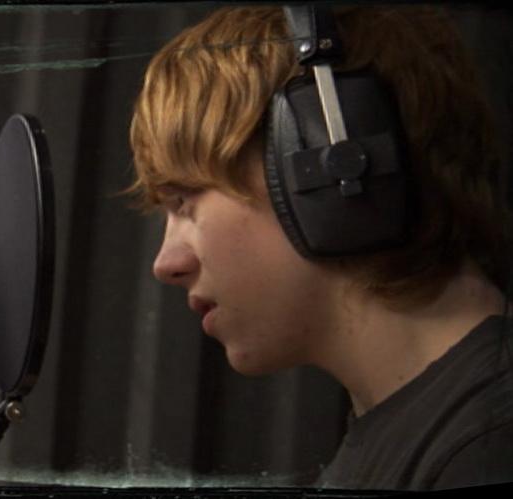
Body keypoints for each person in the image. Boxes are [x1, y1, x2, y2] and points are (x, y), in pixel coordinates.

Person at [128, 5, 513, 491]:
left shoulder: (487, 447)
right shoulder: (431, 433)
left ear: (334, 161)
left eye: (183, 202)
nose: (166, 265)